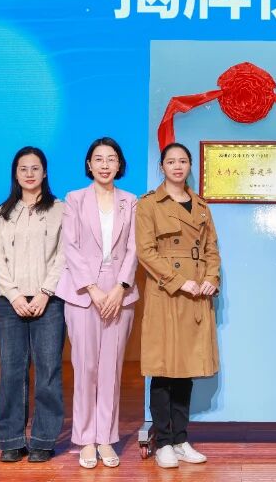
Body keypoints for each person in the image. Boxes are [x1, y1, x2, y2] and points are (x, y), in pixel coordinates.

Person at [135, 142, 221, 469]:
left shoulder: (201, 206)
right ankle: (163, 441)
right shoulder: (149, 204)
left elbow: (212, 249)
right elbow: (145, 252)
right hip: (167, 294)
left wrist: (211, 278)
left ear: (189, 166)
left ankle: (181, 439)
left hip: (197, 294)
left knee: (186, 370)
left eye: (183, 161)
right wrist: (177, 281)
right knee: (163, 369)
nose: (177, 166)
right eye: (171, 161)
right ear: (162, 167)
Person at [58, 138, 140, 469]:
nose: (105, 165)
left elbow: (134, 248)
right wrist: (92, 289)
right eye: (98, 159)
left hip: (120, 293)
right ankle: (85, 439)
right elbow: (70, 246)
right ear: (89, 164)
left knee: (111, 369)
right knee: (86, 368)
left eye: (111, 159)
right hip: (83, 294)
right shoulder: (74, 199)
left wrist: (120, 288)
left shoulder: (130, 201)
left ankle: (106, 437)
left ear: (120, 165)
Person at [0, 146, 67, 464]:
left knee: (48, 371)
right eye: (23, 168)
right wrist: (14, 295)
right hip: (11, 303)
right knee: (11, 371)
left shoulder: (60, 209)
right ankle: (11, 440)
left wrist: (45, 292)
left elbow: (64, 254)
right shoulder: (3, 212)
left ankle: (43, 440)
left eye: (35, 168)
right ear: (15, 173)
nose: (30, 173)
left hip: (49, 301)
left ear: (45, 172)